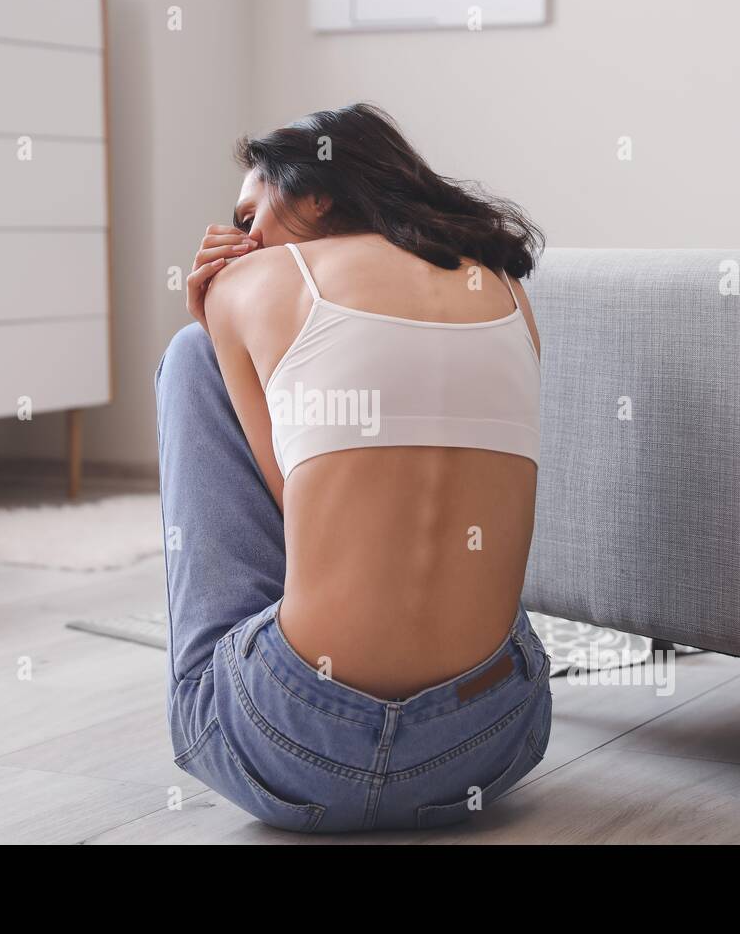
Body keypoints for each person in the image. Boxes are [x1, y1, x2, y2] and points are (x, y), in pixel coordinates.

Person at [155, 103, 551, 832]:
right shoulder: (505, 289)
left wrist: (211, 316)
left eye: (251, 217)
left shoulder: (252, 283)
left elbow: (291, 509)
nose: (243, 240)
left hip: (297, 742)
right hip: (490, 743)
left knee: (188, 357)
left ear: (314, 195)